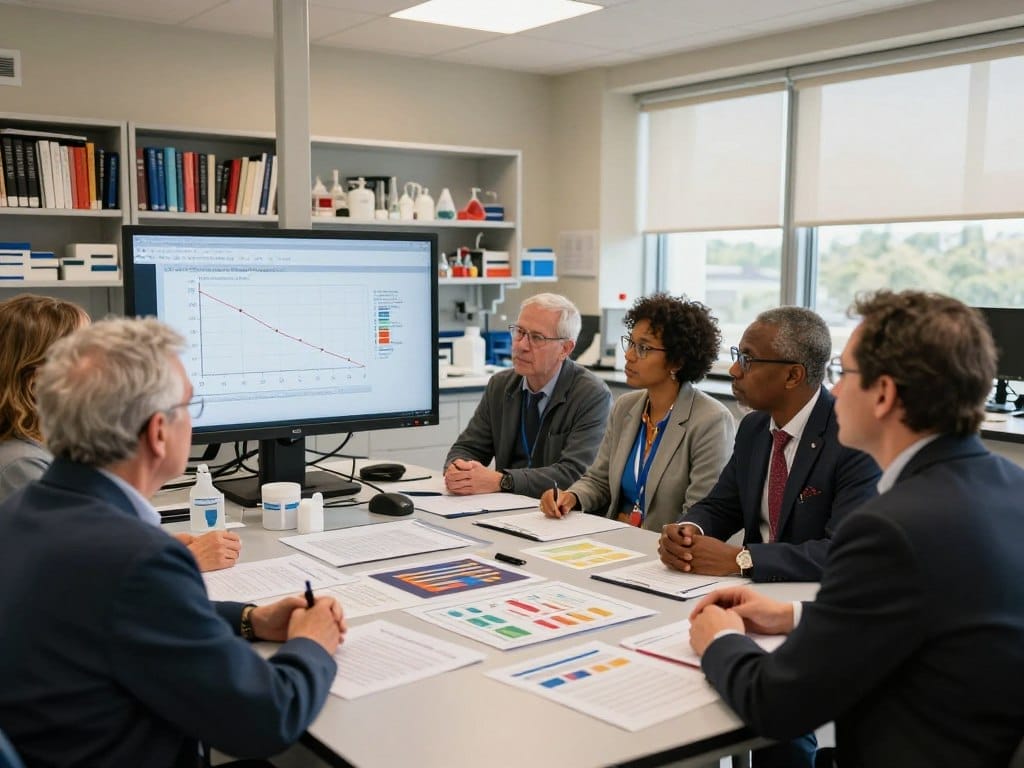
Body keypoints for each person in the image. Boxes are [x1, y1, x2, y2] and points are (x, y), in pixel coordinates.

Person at [689, 291, 1024, 768]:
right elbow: (932, 616)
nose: (834, 391)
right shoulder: (1011, 487)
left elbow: (777, 704)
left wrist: (719, 638)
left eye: (844, 373)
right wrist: (800, 616)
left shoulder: (890, 529)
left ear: (883, 394)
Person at [0, 317, 346, 766]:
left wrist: (249, 619)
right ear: (158, 432)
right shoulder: (137, 560)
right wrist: (311, 642)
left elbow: (117, 616)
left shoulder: (23, 512)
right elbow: (267, 719)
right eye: (189, 407)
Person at [0, 294, 242, 571]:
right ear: (37, 386)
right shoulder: (20, 466)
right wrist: (184, 562)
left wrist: (158, 549)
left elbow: (92, 544)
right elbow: (72, 575)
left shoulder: (46, 450)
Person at [659, 306, 880, 583]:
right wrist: (688, 532)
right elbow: (722, 506)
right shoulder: (754, 427)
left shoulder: (852, 438)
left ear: (792, 376)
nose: (734, 369)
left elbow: (843, 551)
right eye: (738, 355)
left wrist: (742, 559)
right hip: (750, 589)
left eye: (748, 359)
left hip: (809, 596)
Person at [539, 293, 734, 531]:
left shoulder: (710, 420)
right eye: (630, 343)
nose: (629, 355)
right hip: (615, 539)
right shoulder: (626, 407)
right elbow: (599, 480)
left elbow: (701, 511)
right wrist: (571, 497)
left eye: (643, 348)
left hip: (667, 550)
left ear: (677, 361)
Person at [444, 293, 612, 498]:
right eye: (519, 332)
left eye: (536, 337)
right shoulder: (501, 385)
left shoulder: (591, 395)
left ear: (565, 349)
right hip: (503, 506)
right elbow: (468, 447)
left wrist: (502, 481)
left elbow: (575, 474)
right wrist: (458, 470)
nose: (521, 345)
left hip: (560, 516)